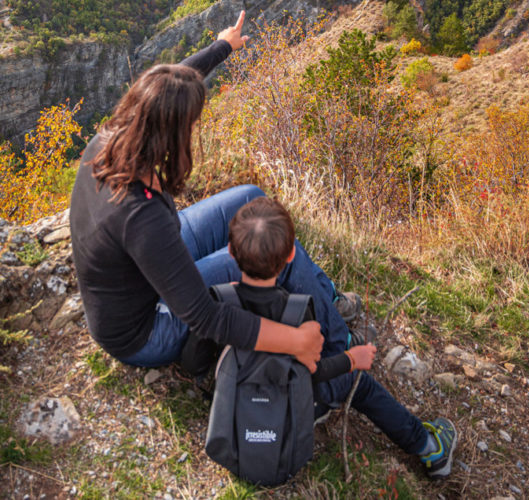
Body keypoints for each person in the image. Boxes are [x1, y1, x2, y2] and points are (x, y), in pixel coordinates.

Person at [70, 11, 359, 376]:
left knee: (253, 200)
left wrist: (224, 46)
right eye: (191, 123)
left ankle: (324, 295)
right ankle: (339, 349)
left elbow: (173, 85)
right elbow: (206, 318)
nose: (194, 128)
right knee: (272, 248)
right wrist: (293, 342)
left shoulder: (113, 137)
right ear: (172, 132)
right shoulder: (140, 215)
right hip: (145, 327)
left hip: (146, 269)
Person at [190, 196, 457, 480]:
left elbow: (193, 360)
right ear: (292, 255)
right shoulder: (297, 312)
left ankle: (429, 448)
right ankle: (429, 447)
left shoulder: (220, 304)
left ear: (230, 251)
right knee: (360, 385)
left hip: (239, 404)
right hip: (289, 402)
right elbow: (313, 372)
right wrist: (352, 360)